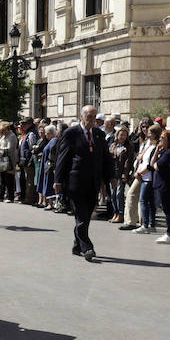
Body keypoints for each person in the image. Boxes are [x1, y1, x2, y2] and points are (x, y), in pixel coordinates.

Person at [54, 104, 114, 261]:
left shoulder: (99, 135)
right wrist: (58, 180)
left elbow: (106, 158)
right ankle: (87, 247)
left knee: (86, 216)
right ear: (81, 117)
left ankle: (77, 245)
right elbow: (62, 158)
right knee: (81, 215)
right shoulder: (71, 133)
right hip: (76, 182)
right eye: (89, 117)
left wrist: (110, 177)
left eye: (94, 117)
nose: (92, 120)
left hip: (92, 182)